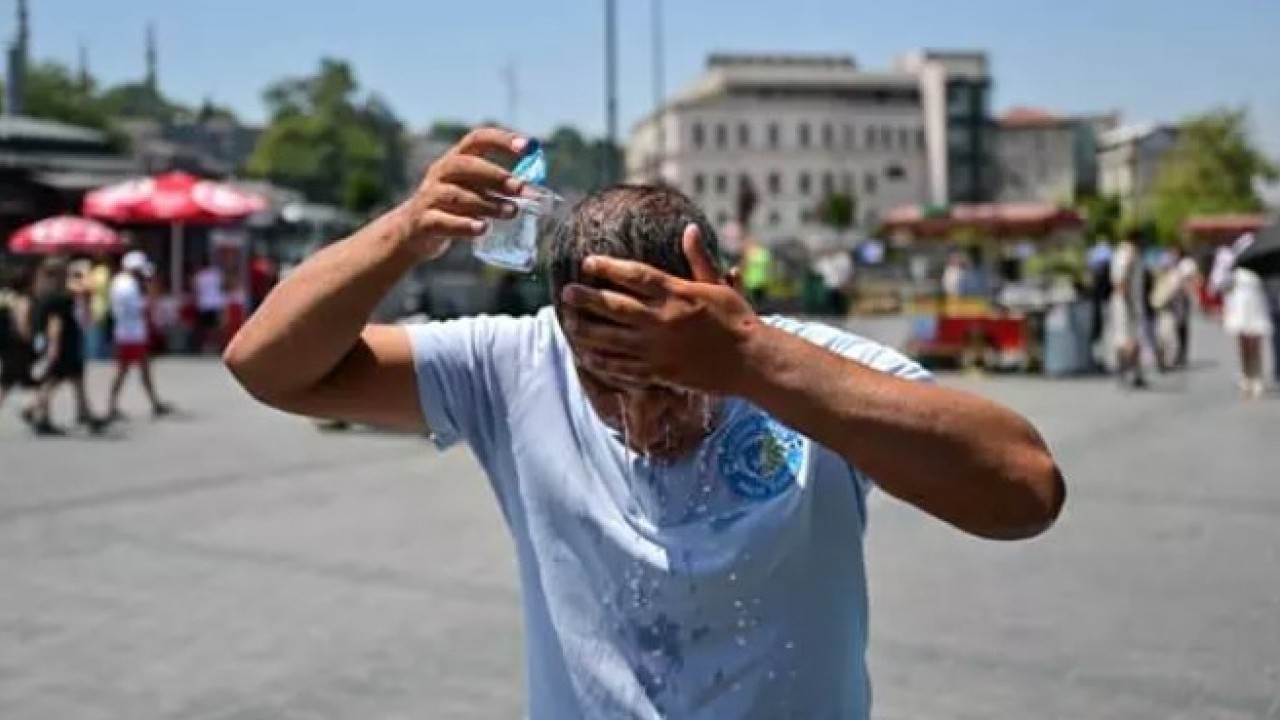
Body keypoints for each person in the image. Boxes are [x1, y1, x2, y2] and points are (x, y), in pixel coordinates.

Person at [225, 129, 1065, 720]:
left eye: (670, 384)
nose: (641, 420)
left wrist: (744, 357)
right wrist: (404, 233)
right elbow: (267, 365)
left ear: (724, 293)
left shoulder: (797, 365)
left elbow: (1025, 490)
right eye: (606, 386)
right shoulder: (516, 365)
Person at [28, 258, 106, 435]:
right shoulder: (59, 299)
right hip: (63, 345)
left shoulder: (43, 295)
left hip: (60, 344)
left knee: (76, 378)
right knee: (52, 380)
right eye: (65, 273)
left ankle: (84, 412)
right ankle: (40, 415)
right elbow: (55, 324)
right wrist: (54, 346)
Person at [105, 251, 172, 420]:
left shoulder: (120, 282)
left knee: (141, 369)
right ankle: (113, 405)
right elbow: (141, 307)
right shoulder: (128, 287)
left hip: (129, 332)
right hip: (130, 334)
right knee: (125, 370)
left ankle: (153, 402)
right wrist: (151, 294)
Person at [1212, 233, 1272, 399]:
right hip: (1238, 303)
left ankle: (1257, 376)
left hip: (1255, 302)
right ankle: (1247, 376)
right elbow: (1218, 282)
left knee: (1256, 341)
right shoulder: (1229, 261)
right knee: (1243, 343)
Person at [1109, 230, 1148, 388]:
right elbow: (1122, 281)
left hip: (1126, 302)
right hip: (1127, 303)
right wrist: (1128, 303)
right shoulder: (1127, 255)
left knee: (1123, 338)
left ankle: (1127, 371)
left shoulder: (1122, 254)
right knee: (1131, 339)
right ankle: (1131, 371)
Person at [0, 266, 37, 416]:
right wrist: (29, 339)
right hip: (17, 344)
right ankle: (31, 408)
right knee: (13, 380)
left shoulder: (5, 296)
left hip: (7, 342)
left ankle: (31, 407)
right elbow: (22, 322)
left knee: (13, 380)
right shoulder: (23, 300)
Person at [192, 260, 226, 353]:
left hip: (204, 304)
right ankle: (216, 346)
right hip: (215, 303)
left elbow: (195, 290)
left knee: (205, 327)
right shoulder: (216, 274)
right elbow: (223, 286)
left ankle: (207, 346)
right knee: (215, 327)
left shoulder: (199, 276)